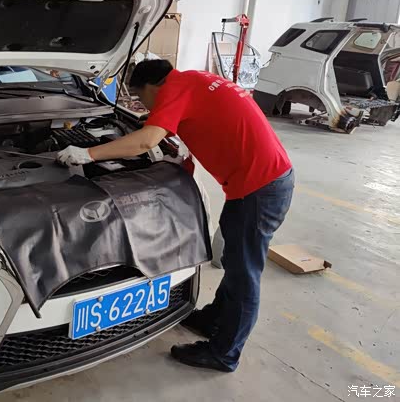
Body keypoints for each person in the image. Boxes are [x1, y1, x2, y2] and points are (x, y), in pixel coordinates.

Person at [56, 59, 294, 373]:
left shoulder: (174, 89)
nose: (143, 106)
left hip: (260, 189)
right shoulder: (192, 79)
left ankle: (224, 354)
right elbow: (202, 118)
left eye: (140, 98)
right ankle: (213, 320)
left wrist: (87, 154)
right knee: (236, 260)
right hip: (261, 182)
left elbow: (145, 141)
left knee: (244, 273)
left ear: (152, 87)